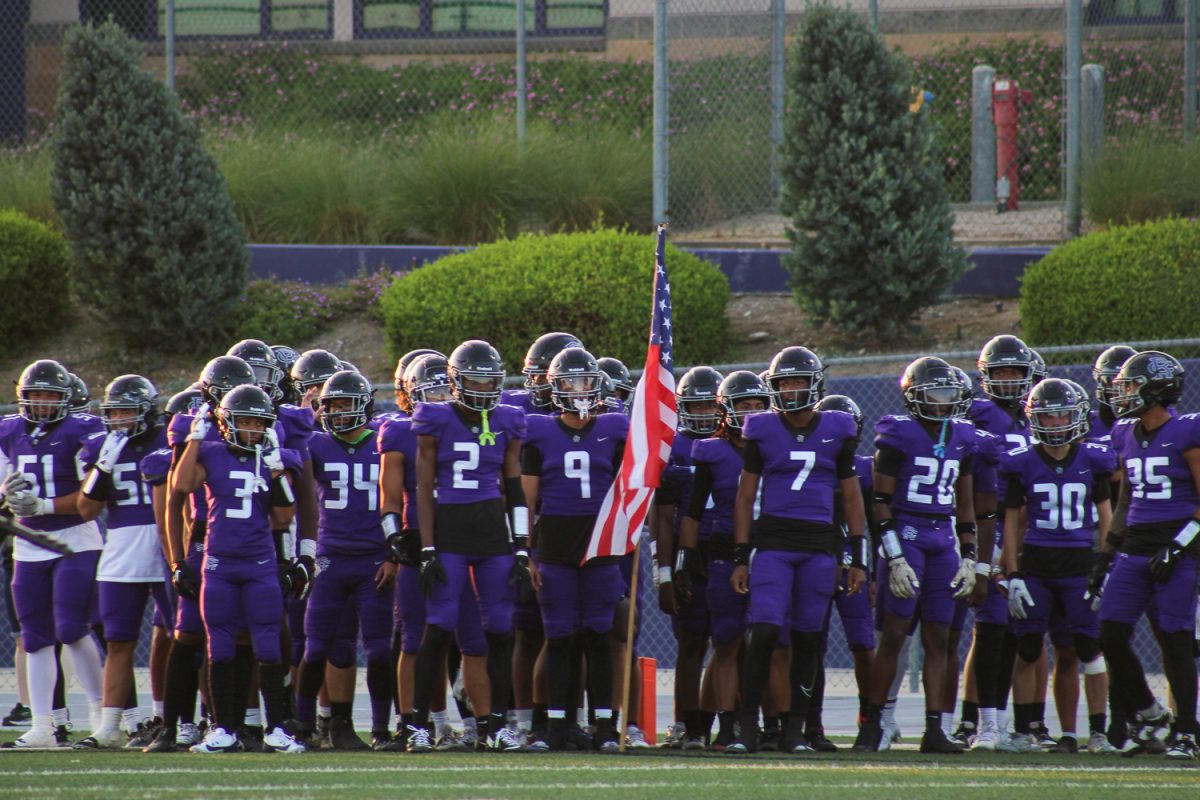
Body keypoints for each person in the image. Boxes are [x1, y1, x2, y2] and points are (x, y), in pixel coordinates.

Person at [727, 346, 866, 754]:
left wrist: (856, 557)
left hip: (819, 546)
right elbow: (744, 496)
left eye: (797, 381)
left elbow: (853, 499)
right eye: (783, 382)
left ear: (814, 384)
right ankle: (748, 728)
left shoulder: (837, 429)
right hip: (773, 543)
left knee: (808, 640)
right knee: (765, 631)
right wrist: (741, 555)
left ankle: (796, 732)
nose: (790, 389)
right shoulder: (762, 429)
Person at [171, 385, 306, 754]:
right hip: (219, 565)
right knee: (220, 647)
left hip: (260, 563)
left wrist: (277, 470)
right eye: (244, 421)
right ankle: (223, 728)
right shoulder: (211, 452)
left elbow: (284, 515)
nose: (252, 429)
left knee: (267, 645)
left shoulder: (271, 458)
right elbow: (182, 485)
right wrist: (194, 441)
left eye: (258, 422)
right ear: (227, 423)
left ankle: (276, 727)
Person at [407, 340, 528, 753]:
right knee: (439, 626)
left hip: (493, 534)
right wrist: (426, 547)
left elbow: (514, 487)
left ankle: (495, 725)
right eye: (476, 378)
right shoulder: (435, 418)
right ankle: (417, 725)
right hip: (451, 533)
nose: (483, 386)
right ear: (457, 381)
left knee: (501, 628)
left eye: (490, 379)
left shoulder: (509, 418)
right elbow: (423, 488)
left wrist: (524, 546)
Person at [855, 356, 977, 754]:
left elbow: (966, 502)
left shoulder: (962, 435)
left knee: (940, 637)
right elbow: (881, 501)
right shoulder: (898, 433)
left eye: (949, 393)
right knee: (893, 636)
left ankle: (935, 728)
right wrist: (895, 556)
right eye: (936, 393)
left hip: (943, 537)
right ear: (915, 396)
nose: (944, 402)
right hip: (907, 532)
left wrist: (970, 555)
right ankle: (872, 724)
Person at [999, 378, 1116, 755]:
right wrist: (1012, 572)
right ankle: (1023, 730)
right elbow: (1012, 522)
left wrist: (1106, 563)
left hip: (1079, 564)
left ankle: (1095, 732)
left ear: (1076, 416)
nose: (1054, 424)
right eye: (1046, 418)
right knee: (1029, 646)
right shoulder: (1023, 463)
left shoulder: (1092, 460)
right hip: (1037, 564)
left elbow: (1106, 517)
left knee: (1087, 646)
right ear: (1035, 420)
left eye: (1060, 416)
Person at [522, 347, 629, 751]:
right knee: (560, 638)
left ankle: (605, 727)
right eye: (569, 381)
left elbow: (631, 485)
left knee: (599, 637)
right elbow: (528, 502)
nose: (579, 389)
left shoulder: (614, 429)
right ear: (555, 386)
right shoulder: (540, 432)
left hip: (601, 544)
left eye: (585, 381)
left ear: (597, 385)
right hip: (555, 545)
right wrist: (527, 553)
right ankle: (553, 727)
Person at [1094, 351, 1200, 760]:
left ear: (1157, 390)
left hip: (1177, 544)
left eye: (1132, 385)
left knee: (1174, 639)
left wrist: (1179, 545)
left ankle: (1187, 732)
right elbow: (1125, 501)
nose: (1123, 394)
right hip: (1135, 544)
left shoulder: (1187, 432)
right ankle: (1148, 713)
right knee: (1109, 632)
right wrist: (1106, 553)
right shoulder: (1124, 432)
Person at [0, 360, 106, 748]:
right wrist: (9, 498)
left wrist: (41, 505)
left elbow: (92, 495)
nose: (43, 402)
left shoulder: (83, 430)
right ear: (22, 397)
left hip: (73, 539)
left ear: (65, 399)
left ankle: (100, 715)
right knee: (35, 636)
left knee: (72, 627)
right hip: (29, 545)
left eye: (50, 395)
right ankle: (43, 725)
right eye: (36, 395)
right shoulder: (8, 431)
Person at [293, 371, 395, 750]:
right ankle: (304, 728)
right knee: (316, 647)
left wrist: (392, 555)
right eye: (330, 405)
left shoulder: (385, 441)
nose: (336, 412)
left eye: (344, 404)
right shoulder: (316, 444)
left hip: (373, 560)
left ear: (365, 405)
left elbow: (398, 500)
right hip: (330, 559)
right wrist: (302, 416)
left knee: (379, 649)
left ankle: (380, 730)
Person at [674, 370, 771, 750]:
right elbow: (687, 514)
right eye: (742, 405)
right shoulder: (707, 449)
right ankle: (710, 725)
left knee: (766, 642)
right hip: (718, 552)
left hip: (770, 549)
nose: (749, 412)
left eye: (756, 405)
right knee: (722, 641)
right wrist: (679, 563)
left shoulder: (773, 444)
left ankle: (773, 725)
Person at [74, 376, 172, 749]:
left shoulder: (167, 440)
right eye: (113, 412)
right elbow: (86, 509)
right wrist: (103, 465)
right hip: (122, 549)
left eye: (127, 412)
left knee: (182, 637)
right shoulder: (103, 446)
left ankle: (173, 719)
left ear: (146, 412)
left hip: (165, 545)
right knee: (118, 641)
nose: (119, 419)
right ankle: (110, 726)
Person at [655, 365, 723, 748]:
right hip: (687, 558)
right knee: (691, 642)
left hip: (728, 550)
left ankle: (716, 720)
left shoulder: (738, 441)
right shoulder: (672, 446)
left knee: (730, 641)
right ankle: (685, 722)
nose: (702, 415)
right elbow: (662, 518)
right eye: (694, 408)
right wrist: (664, 571)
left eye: (707, 407)